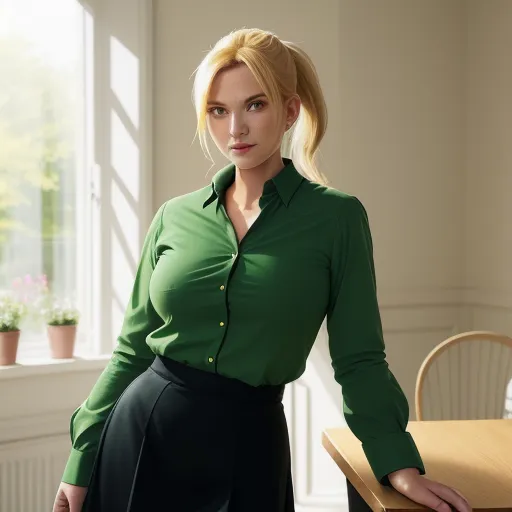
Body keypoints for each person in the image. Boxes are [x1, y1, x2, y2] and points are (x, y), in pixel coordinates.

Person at [53, 27, 472, 512]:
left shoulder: (337, 220)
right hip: (143, 435)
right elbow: (131, 350)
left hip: (249, 448)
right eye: (218, 110)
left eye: (255, 105)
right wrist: (81, 460)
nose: (235, 129)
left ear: (290, 110)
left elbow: (360, 359)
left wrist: (398, 463)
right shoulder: (174, 216)